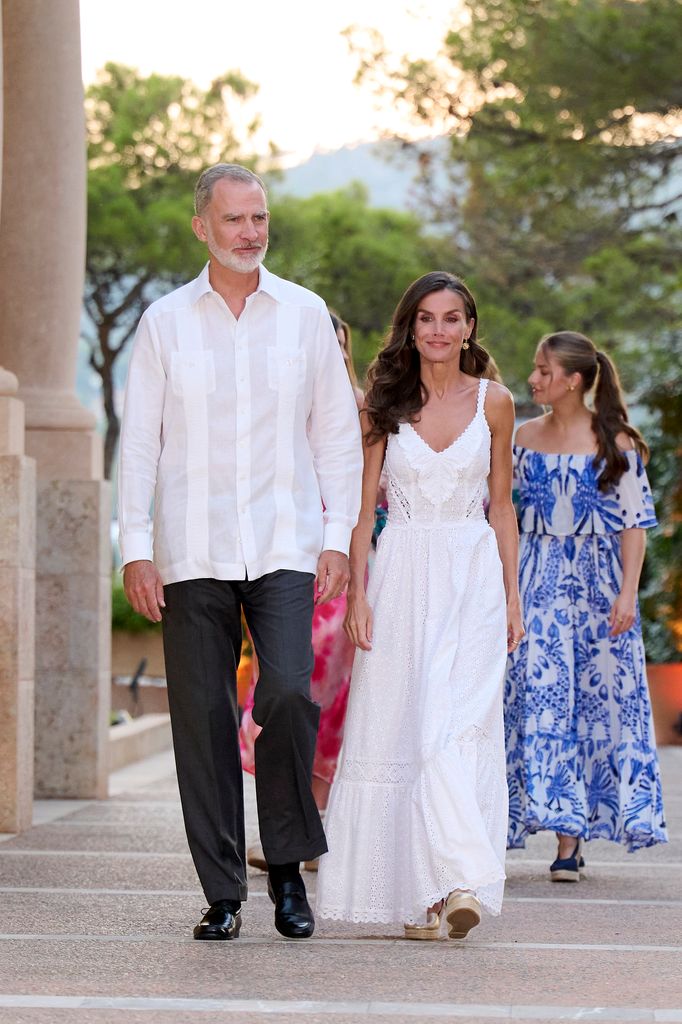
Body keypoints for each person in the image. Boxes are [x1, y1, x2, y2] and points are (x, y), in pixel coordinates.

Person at [118, 163, 362, 941]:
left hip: (287, 543)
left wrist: (336, 537)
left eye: (259, 218)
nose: (251, 233)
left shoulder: (305, 314)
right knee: (202, 719)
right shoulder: (164, 323)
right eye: (235, 221)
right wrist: (137, 547)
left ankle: (287, 869)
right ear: (203, 228)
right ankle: (223, 890)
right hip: (192, 551)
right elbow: (140, 444)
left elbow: (334, 435)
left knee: (289, 694)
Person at [316, 271, 523, 940]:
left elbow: (501, 505)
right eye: (427, 318)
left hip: (472, 578)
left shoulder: (496, 402)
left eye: (452, 318)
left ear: (469, 327)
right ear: (411, 328)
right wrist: (355, 594)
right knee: (408, 728)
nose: (439, 329)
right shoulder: (382, 404)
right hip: (401, 576)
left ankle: (458, 879)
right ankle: (430, 897)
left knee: (454, 723)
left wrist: (514, 595)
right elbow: (361, 506)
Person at [505, 331, 667, 879]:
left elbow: (635, 526)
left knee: (589, 708)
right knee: (539, 700)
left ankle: (570, 844)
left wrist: (626, 593)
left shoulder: (615, 443)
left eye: (543, 371)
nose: (533, 379)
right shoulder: (523, 436)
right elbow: (502, 513)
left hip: (598, 593)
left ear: (573, 381)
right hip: (535, 583)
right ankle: (539, 823)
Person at [241, 309, 364, 872]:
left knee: (334, 693)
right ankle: (291, 819)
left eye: (339, 345)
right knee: (288, 683)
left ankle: (307, 824)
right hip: (284, 555)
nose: (332, 354)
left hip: (344, 559)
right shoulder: (282, 401)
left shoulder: (366, 407)